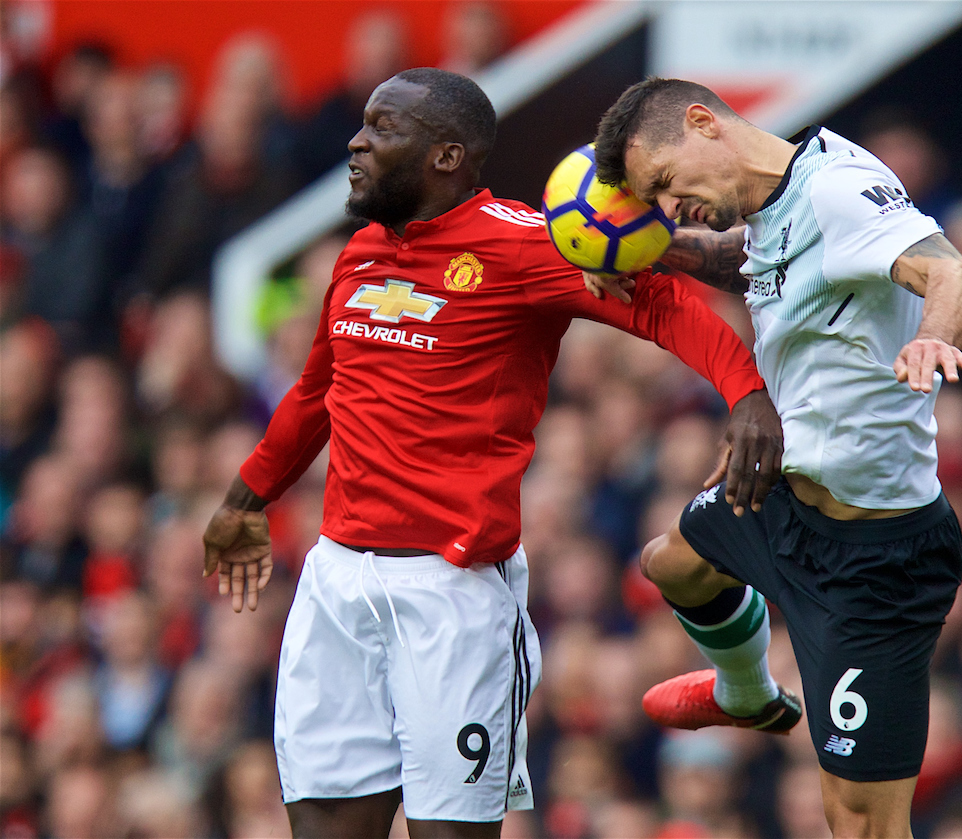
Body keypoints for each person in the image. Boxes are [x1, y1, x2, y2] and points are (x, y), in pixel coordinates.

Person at [200, 68, 782, 839]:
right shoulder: (362, 254)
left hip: (454, 593)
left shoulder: (525, 245)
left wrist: (746, 397)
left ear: (446, 156)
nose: (357, 141)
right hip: (336, 580)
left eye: (382, 127)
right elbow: (316, 393)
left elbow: (662, 305)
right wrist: (246, 500)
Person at [588, 78, 962, 838]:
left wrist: (933, 335)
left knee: (859, 823)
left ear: (704, 123)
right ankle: (746, 690)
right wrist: (644, 249)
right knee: (671, 562)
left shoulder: (840, 190)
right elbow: (748, 259)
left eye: (666, 185)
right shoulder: (781, 200)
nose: (671, 206)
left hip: (875, 564)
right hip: (788, 503)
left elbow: (952, 274)